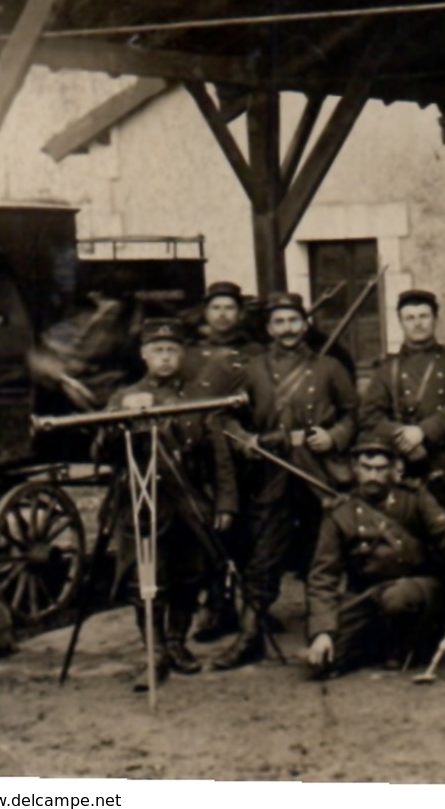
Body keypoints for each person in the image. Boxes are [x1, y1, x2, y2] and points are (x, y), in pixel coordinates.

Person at [213, 292, 358, 671]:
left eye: (294, 320)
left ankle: (327, 636)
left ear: (305, 324)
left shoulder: (330, 368)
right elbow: (226, 419)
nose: (288, 329)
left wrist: (335, 437)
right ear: (268, 328)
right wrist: (247, 441)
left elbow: (353, 415)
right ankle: (250, 638)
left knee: (324, 556)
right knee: (263, 558)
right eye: (279, 322)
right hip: (273, 472)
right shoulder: (250, 370)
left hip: (318, 472)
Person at [100, 318, 237, 691]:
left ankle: (177, 643)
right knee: (144, 580)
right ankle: (154, 652)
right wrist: (122, 421)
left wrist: (225, 503)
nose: (165, 357)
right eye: (157, 350)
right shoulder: (124, 396)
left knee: (190, 574)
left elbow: (219, 456)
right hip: (141, 502)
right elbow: (103, 451)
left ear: (182, 354)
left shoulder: (197, 396)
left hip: (188, 502)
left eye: (172, 350)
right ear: (144, 355)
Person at [305, 434, 445, 678]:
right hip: (367, 594)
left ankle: (410, 644)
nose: (373, 476)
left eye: (380, 469)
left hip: (417, 588)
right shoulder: (340, 513)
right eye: (366, 468)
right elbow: (323, 576)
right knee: (323, 663)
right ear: (355, 469)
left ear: (393, 470)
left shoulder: (413, 498)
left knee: (397, 599)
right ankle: (377, 643)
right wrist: (322, 632)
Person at [181, 279, 264, 640]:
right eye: (216, 308)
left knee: (248, 533)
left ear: (240, 313)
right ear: (205, 313)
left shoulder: (256, 352)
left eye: (229, 308)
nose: (223, 315)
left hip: (246, 452)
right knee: (209, 534)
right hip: (202, 458)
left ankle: (253, 608)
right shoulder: (190, 355)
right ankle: (215, 608)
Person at [359, 290, 445, 529]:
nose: (418, 323)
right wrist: (403, 435)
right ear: (400, 322)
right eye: (410, 317)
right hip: (404, 464)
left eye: (423, 316)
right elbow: (368, 415)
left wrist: (423, 431)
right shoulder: (387, 368)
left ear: (435, 319)